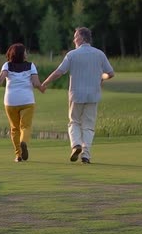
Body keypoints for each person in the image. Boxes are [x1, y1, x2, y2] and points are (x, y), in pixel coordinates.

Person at [41, 27, 115, 164]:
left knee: (74, 122)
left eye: (75, 37)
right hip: (93, 95)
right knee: (88, 126)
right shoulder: (99, 54)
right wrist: (101, 78)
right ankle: (86, 155)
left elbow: (59, 72)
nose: (74, 39)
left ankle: (76, 145)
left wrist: (45, 82)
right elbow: (110, 73)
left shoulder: (72, 55)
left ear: (81, 38)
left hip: (76, 94)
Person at [0, 43, 44, 162]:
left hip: (10, 101)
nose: (26, 54)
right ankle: (23, 142)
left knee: (14, 128)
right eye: (25, 52)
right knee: (25, 126)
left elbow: (0, 79)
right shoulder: (31, 66)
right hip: (27, 100)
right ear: (21, 54)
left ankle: (18, 155)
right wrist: (42, 88)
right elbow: (35, 83)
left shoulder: (7, 65)